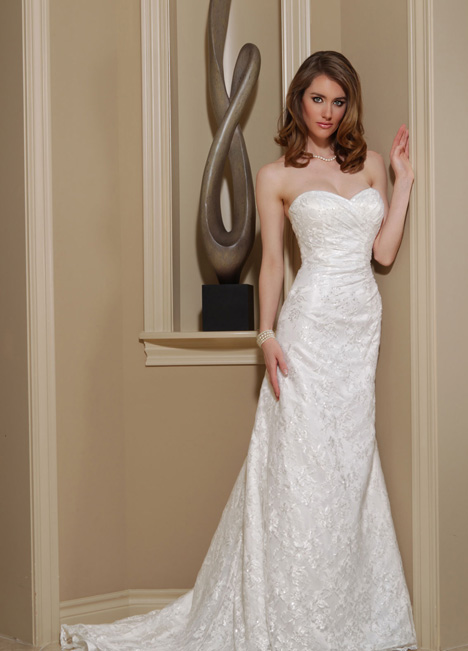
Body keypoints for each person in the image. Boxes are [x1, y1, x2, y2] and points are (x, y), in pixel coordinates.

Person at [61, 50, 418, 651]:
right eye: (317, 98)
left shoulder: (373, 165)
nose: (328, 112)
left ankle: (344, 612)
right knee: (299, 469)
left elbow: (381, 253)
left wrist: (403, 183)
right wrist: (266, 335)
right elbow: (272, 264)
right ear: (298, 100)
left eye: (338, 101)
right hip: (307, 331)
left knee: (350, 466)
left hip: (359, 330)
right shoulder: (276, 175)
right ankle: (290, 614)